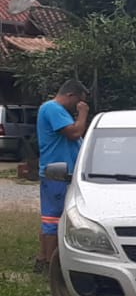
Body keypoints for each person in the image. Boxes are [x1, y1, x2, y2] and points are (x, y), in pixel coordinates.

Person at [34, 80, 90, 272]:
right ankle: (51, 264)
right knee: (53, 219)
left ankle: (43, 259)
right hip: (57, 173)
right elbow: (74, 133)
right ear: (70, 96)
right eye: (78, 102)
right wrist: (83, 115)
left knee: (52, 218)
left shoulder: (57, 111)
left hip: (61, 172)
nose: (79, 106)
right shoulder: (53, 108)